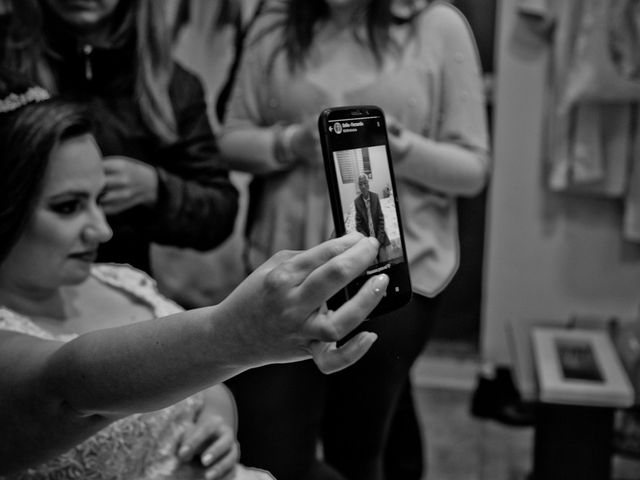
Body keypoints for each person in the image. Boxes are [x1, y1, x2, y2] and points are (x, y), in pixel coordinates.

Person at [0, 71, 388, 478]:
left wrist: (217, 424)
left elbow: (208, 390)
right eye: (67, 207)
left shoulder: (121, 279)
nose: (103, 230)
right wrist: (233, 334)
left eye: (99, 200)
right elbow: (66, 388)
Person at [217, 1, 490, 479]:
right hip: (289, 266)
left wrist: (400, 149)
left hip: (397, 267)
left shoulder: (437, 27)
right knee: (270, 443)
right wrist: (289, 143)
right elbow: (231, 139)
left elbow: (471, 170)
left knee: (360, 440)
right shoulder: (273, 24)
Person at [0, 0, 239, 274]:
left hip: (116, 281)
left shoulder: (173, 86)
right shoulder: (7, 68)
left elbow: (220, 209)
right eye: (68, 207)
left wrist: (157, 189)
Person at [354, 174, 390, 263]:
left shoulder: (375, 197)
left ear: (368, 184)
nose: (363, 186)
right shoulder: (357, 202)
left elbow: (381, 219)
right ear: (359, 186)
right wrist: (368, 241)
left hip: (379, 237)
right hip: (368, 240)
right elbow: (358, 226)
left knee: (384, 262)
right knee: (372, 264)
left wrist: (379, 240)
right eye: (360, 184)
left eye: (365, 183)